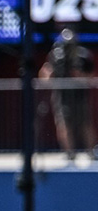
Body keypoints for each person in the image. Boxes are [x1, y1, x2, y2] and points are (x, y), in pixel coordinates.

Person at [38, 28, 96, 160]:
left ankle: (91, 151)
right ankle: (70, 153)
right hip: (62, 95)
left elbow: (91, 76)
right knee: (64, 124)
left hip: (79, 95)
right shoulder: (56, 55)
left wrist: (79, 76)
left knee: (85, 123)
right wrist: (49, 76)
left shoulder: (83, 55)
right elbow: (45, 74)